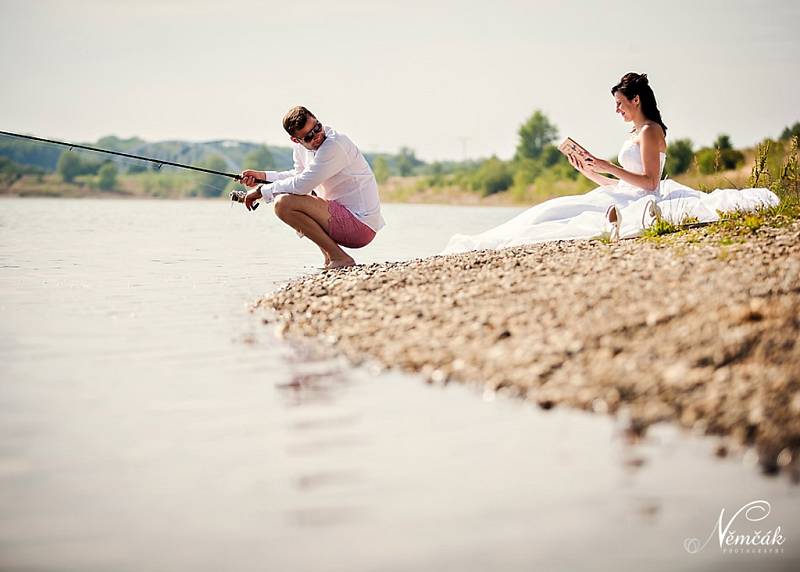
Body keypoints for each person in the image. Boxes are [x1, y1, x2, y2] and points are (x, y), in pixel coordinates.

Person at [442, 73, 779, 254]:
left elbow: (650, 184)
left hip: (646, 198)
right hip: (629, 196)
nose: (617, 109)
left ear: (636, 100)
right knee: (553, 208)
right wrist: (590, 172)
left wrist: (608, 165)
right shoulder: (636, 132)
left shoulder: (649, 131)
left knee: (560, 215)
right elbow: (625, 186)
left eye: (620, 103)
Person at [240, 106, 385, 268]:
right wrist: (263, 177)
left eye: (317, 127)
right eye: (308, 136)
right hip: (340, 216)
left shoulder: (335, 144)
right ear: (296, 140)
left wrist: (261, 191)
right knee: (292, 195)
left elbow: (302, 185)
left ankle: (340, 258)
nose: (317, 136)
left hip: (360, 225)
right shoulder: (300, 148)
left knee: (284, 204)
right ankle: (331, 258)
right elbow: (299, 176)